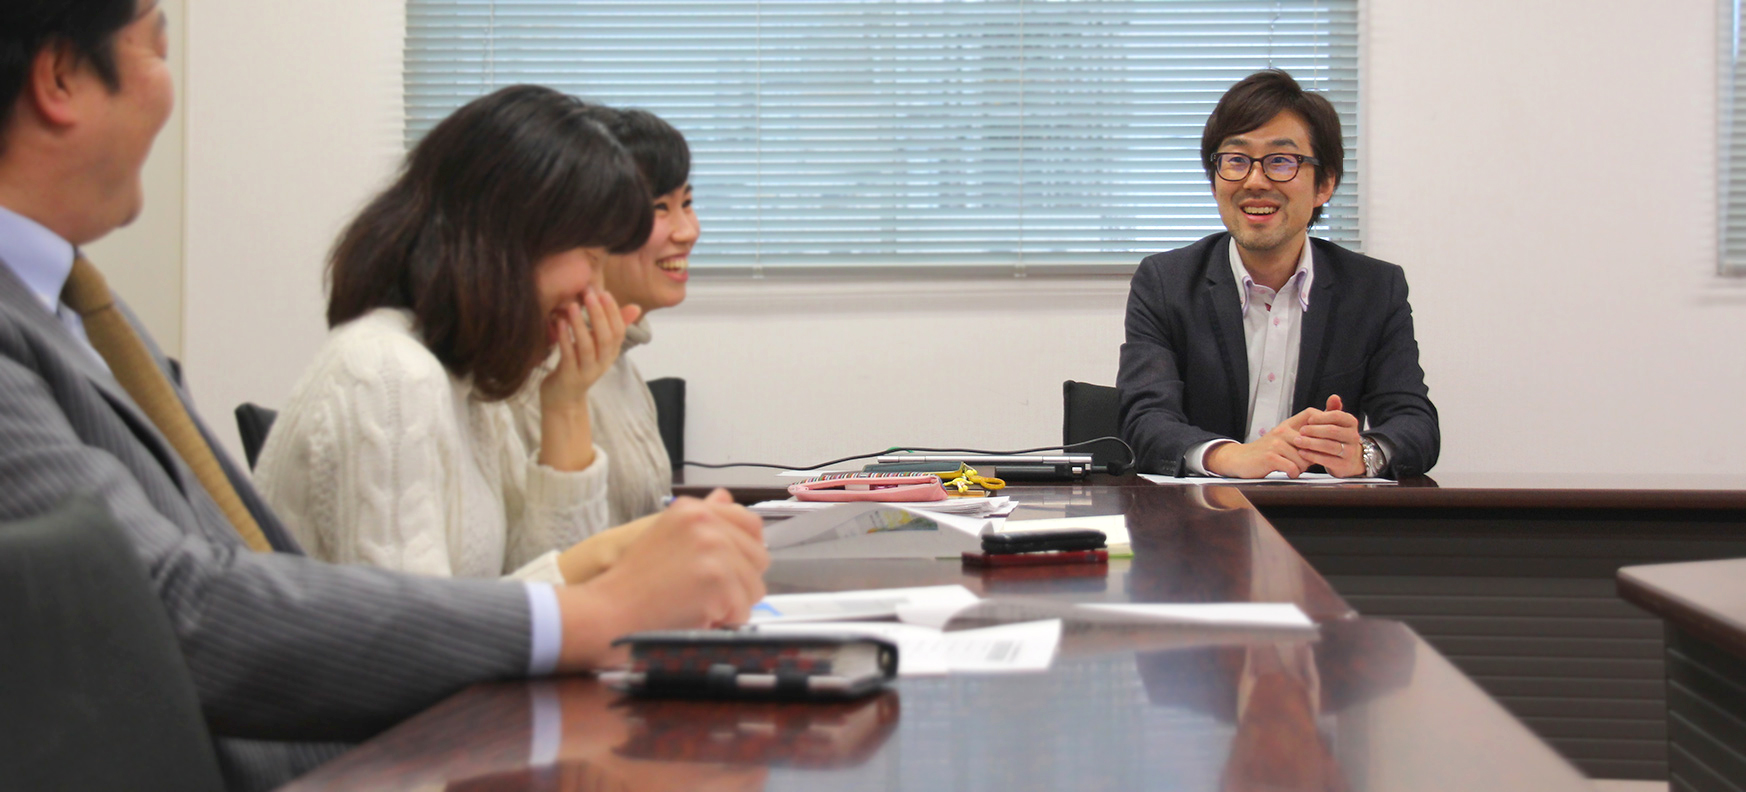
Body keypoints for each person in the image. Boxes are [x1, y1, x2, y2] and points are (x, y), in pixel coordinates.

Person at [0, 2, 768, 789]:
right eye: (157, 49)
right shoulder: (386, 372)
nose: (168, 94)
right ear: (60, 78)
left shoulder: (83, 310)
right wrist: (598, 610)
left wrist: (590, 568)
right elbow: (171, 605)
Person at [254, 86, 649, 583]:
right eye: (591, 257)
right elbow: (419, 629)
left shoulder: (469, 387)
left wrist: (566, 403)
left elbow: (526, 575)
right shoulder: (388, 374)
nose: (596, 292)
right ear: (511, 237)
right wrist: (610, 553)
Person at [1117, 69, 1439, 479]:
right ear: (1214, 181)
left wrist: (1365, 453)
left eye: (1281, 161)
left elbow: (1416, 422)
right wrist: (1230, 457)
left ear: (1324, 185)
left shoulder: (1373, 289)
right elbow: (1143, 420)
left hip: (1318, 512)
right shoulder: (1166, 283)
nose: (1255, 181)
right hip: (1203, 510)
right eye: (1236, 160)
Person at [556, 106, 698, 526]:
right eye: (660, 208)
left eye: (687, 203)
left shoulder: (621, 367)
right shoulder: (544, 376)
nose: (688, 231)